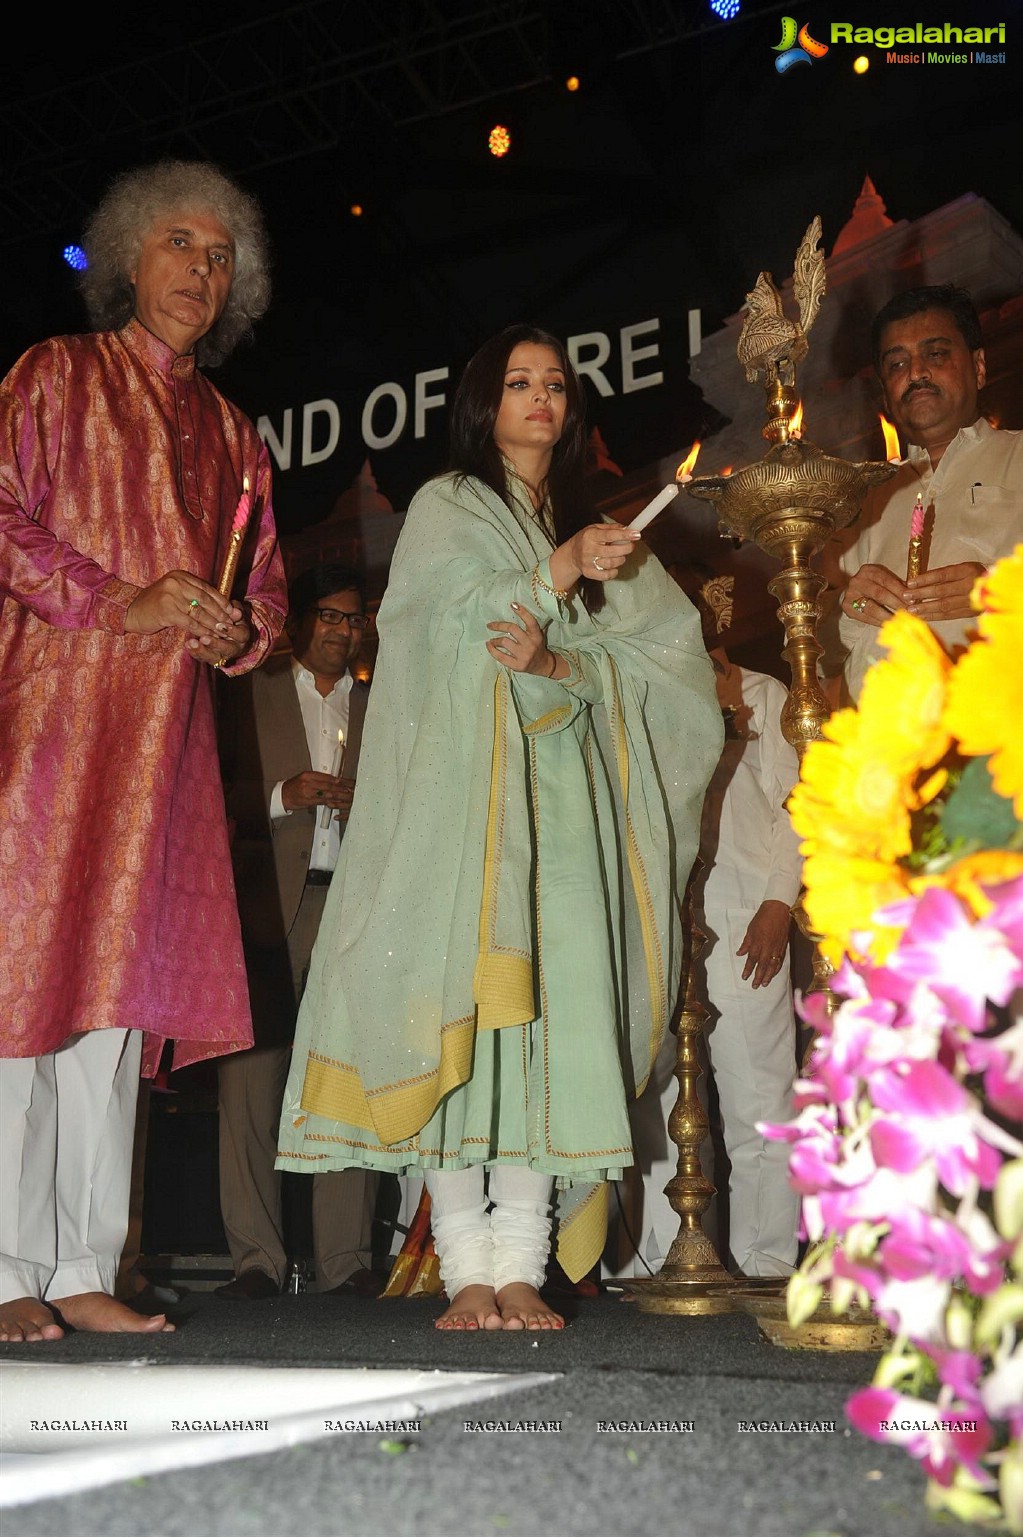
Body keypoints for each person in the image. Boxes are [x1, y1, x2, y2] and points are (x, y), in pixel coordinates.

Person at [277, 323, 722, 1331]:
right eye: (520, 382)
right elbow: (436, 627)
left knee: (543, 1033)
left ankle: (518, 1266)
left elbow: (664, 671)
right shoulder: (448, 505)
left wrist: (564, 665)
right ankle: (463, 1267)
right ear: (485, 403)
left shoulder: (593, 524)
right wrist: (552, 571)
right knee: (469, 1033)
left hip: (564, 823)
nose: (541, 398)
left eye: (556, 385)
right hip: (468, 823)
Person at [0, 160, 287, 1343]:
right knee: (22, 995)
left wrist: (235, 628)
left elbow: (263, 592)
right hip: (50, 723)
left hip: (162, 751)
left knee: (116, 1011)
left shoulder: (233, 433)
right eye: (180, 243)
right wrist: (122, 599)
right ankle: (6, 1270)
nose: (201, 271)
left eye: (220, 257)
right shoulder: (53, 374)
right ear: (128, 257)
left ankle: (77, 1263)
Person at [616, 581, 802, 1279]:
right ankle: (664, 1256)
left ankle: (766, 1262)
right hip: (660, 913)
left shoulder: (766, 693)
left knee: (758, 1092)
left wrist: (778, 902)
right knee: (656, 1090)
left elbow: (799, 806)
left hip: (744, 911)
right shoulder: (644, 692)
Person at [216, 563, 382, 1299]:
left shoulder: (385, 706)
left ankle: (344, 1264)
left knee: (345, 1083)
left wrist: (368, 809)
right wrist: (285, 795)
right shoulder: (247, 695)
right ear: (296, 622)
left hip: (353, 910)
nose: (343, 631)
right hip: (264, 910)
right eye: (330, 616)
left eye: (353, 620)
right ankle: (256, 1259)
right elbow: (211, 796)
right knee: (250, 1088)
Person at [824, 283, 1022, 702]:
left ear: (979, 367)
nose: (915, 373)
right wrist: (851, 608)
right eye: (896, 364)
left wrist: (1001, 590)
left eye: (935, 354)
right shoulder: (861, 500)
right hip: (889, 749)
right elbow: (818, 651)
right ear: (884, 392)